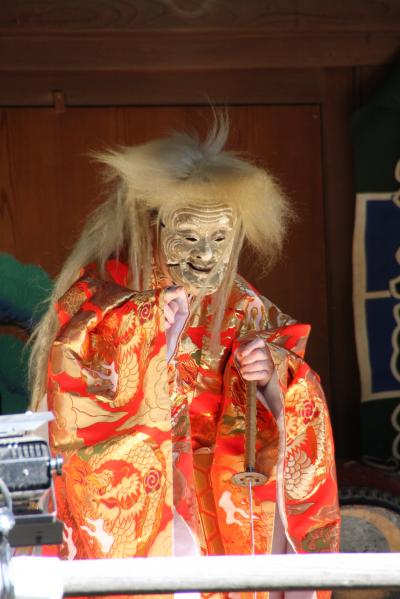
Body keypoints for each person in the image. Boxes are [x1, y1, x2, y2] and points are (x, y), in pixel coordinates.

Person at [30, 118, 340, 599]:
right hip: (144, 492)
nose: (204, 256)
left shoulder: (240, 304)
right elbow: (78, 381)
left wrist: (273, 378)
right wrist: (151, 331)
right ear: (155, 222)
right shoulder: (108, 291)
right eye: (188, 236)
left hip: (218, 495)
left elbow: (294, 379)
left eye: (220, 239)